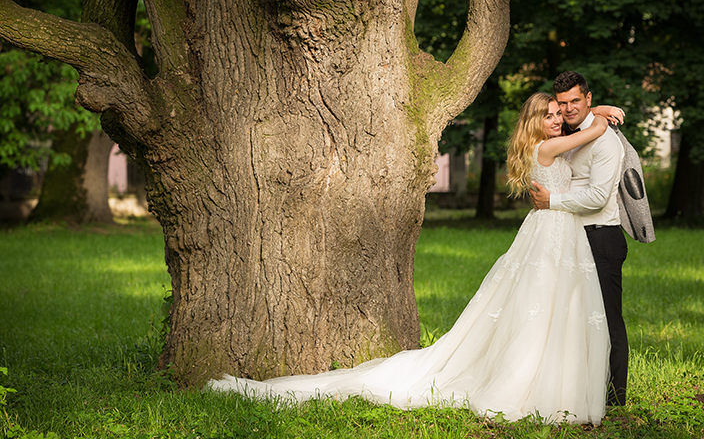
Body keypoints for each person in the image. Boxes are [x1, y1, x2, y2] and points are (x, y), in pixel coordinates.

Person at [209, 92, 622, 424]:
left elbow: (580, 134)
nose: (557, 118)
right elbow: (594, 130)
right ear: (535, 122)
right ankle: (532, 386)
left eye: (559, 113)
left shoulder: (542, 146)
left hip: (555, 231)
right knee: (544, 306)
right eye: (549, 114)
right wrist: (597, 111)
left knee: (552, 307)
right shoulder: (549, 146)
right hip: (552, 230)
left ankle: (550, 380)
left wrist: (587, 111)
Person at [529, 71, 629, 407]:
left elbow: (599, 197)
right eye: (562, 104)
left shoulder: (605, 142)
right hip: (571, 239)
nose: (568, 109)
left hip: (601, 238)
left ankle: (615, 399)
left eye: (576, 101)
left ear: (587, 98)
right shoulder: (569, 133)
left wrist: (551, 202)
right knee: (576, 318)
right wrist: (595, 111)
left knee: (607, 320)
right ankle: (582, 390)